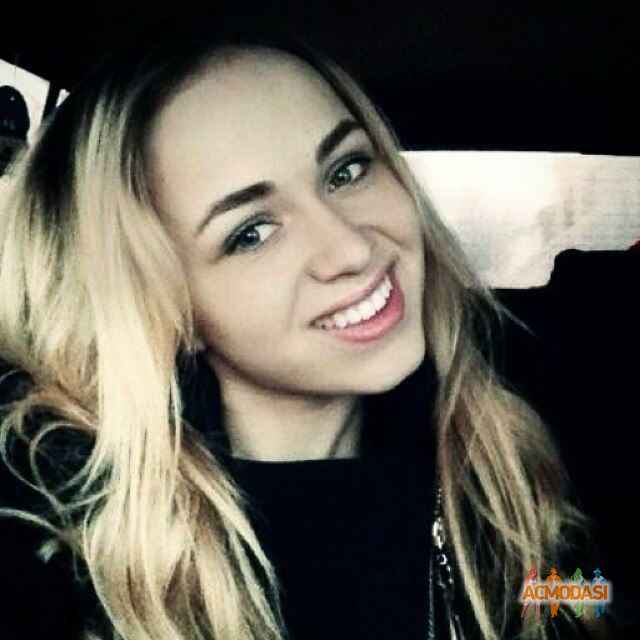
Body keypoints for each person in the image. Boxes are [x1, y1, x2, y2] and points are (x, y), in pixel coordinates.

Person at [0, 23, 625, 640]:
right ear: (160, 307)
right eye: (252, 233)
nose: (353, 248)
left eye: (346, 170)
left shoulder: (498, 442)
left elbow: (567, 593)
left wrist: (596, 602)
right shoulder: (84, 563)